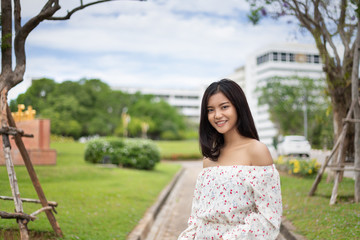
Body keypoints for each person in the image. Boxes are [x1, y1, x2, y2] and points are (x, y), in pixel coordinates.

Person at [178, 79, 282, 240]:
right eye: (210, 110)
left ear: (238, 107)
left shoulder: (256, 151)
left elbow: (269, 218)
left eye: (224, 107)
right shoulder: (209, 159)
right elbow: (197, 217)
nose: (217, 115)